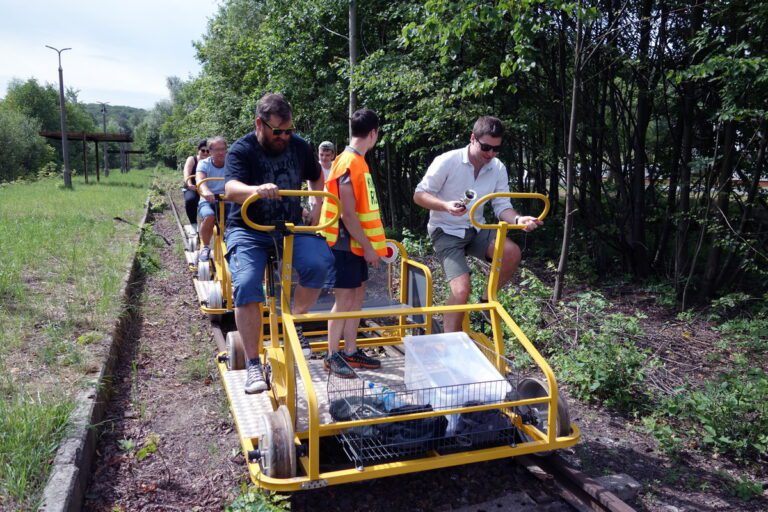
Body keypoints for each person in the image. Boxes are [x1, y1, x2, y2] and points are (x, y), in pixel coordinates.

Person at [224, 93, 334, 394]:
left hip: (289, 227)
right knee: (246, 284)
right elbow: (231, 187)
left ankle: (293, 319)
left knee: (320, 263)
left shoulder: (299, 146)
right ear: (259, 124)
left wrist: (315, 206)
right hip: (249, 229)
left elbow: (316, 178)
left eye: (289, 131)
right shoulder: (242, 150)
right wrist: (256, 189)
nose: (285, 137)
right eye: (278, 132)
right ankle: (253, 364)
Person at [413, 116, 542, 333]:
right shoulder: (448, 161)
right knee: (461, 291)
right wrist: (445, 206)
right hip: (446, 230)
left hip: (476, 228)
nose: (491, 154)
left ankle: (485, 302)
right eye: (486, 147)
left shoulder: (497, 167)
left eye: (496, 149)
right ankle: (450, 345)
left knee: (511, 252)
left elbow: (502, 207)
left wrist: (519, 220)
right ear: (473, 138)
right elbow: (419, 194)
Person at [320, 109, 386, 378]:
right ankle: (332, 355)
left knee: (357, 296)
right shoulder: (348, 162)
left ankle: (350, 351)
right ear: (373, 133)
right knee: (344, 298)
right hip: (344, 244)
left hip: (355, 245)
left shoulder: (358, 161)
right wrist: (369, 247)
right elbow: (347, 213)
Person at [195, 136, 229, 262]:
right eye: (217, 150)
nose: (220, 152)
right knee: (209, 216)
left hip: (228, 198)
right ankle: (205, 246)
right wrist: (206, 191)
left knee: (239, 218)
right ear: (210, 151)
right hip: (208, 199)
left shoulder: (231, 163)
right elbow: (200, 181)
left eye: (223, 149)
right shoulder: (204, 164)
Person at [182, 140, 208, 226]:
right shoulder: (192, 159)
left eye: (208, 151)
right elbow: (186, 172)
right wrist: (189, 184)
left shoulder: (211, 161)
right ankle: (193, 223)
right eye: (203, 150)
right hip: (192, 187)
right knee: (190, 200)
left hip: (205, 187)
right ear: (198, 150)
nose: (205, 153)